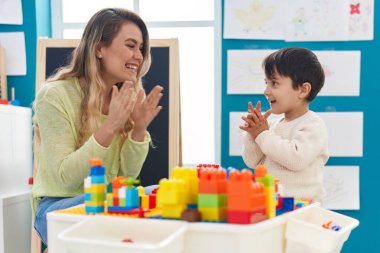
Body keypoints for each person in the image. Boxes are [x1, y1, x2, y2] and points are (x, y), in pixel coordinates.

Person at [32, 8, 163, 250]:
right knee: (113, 203)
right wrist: (111, 125)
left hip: (108, 203)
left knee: (161, 193)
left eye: (141, 49)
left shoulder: (125, 97)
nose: (139, 56)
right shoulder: (54, 96)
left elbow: (127, 177)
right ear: (99, 48)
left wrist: (138, 130)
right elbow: (66, 177)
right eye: (131, 45)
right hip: (56, 209)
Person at [240, 47, 329, 204]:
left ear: (302, 90)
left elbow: (296, 159)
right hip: (271, 206)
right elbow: (252, 161)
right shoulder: (271, 127)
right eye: (266, 83)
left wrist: (262, 134)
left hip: (304, 210)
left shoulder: (313, 125)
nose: (266, 91)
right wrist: (252, 134)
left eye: (274, 83)